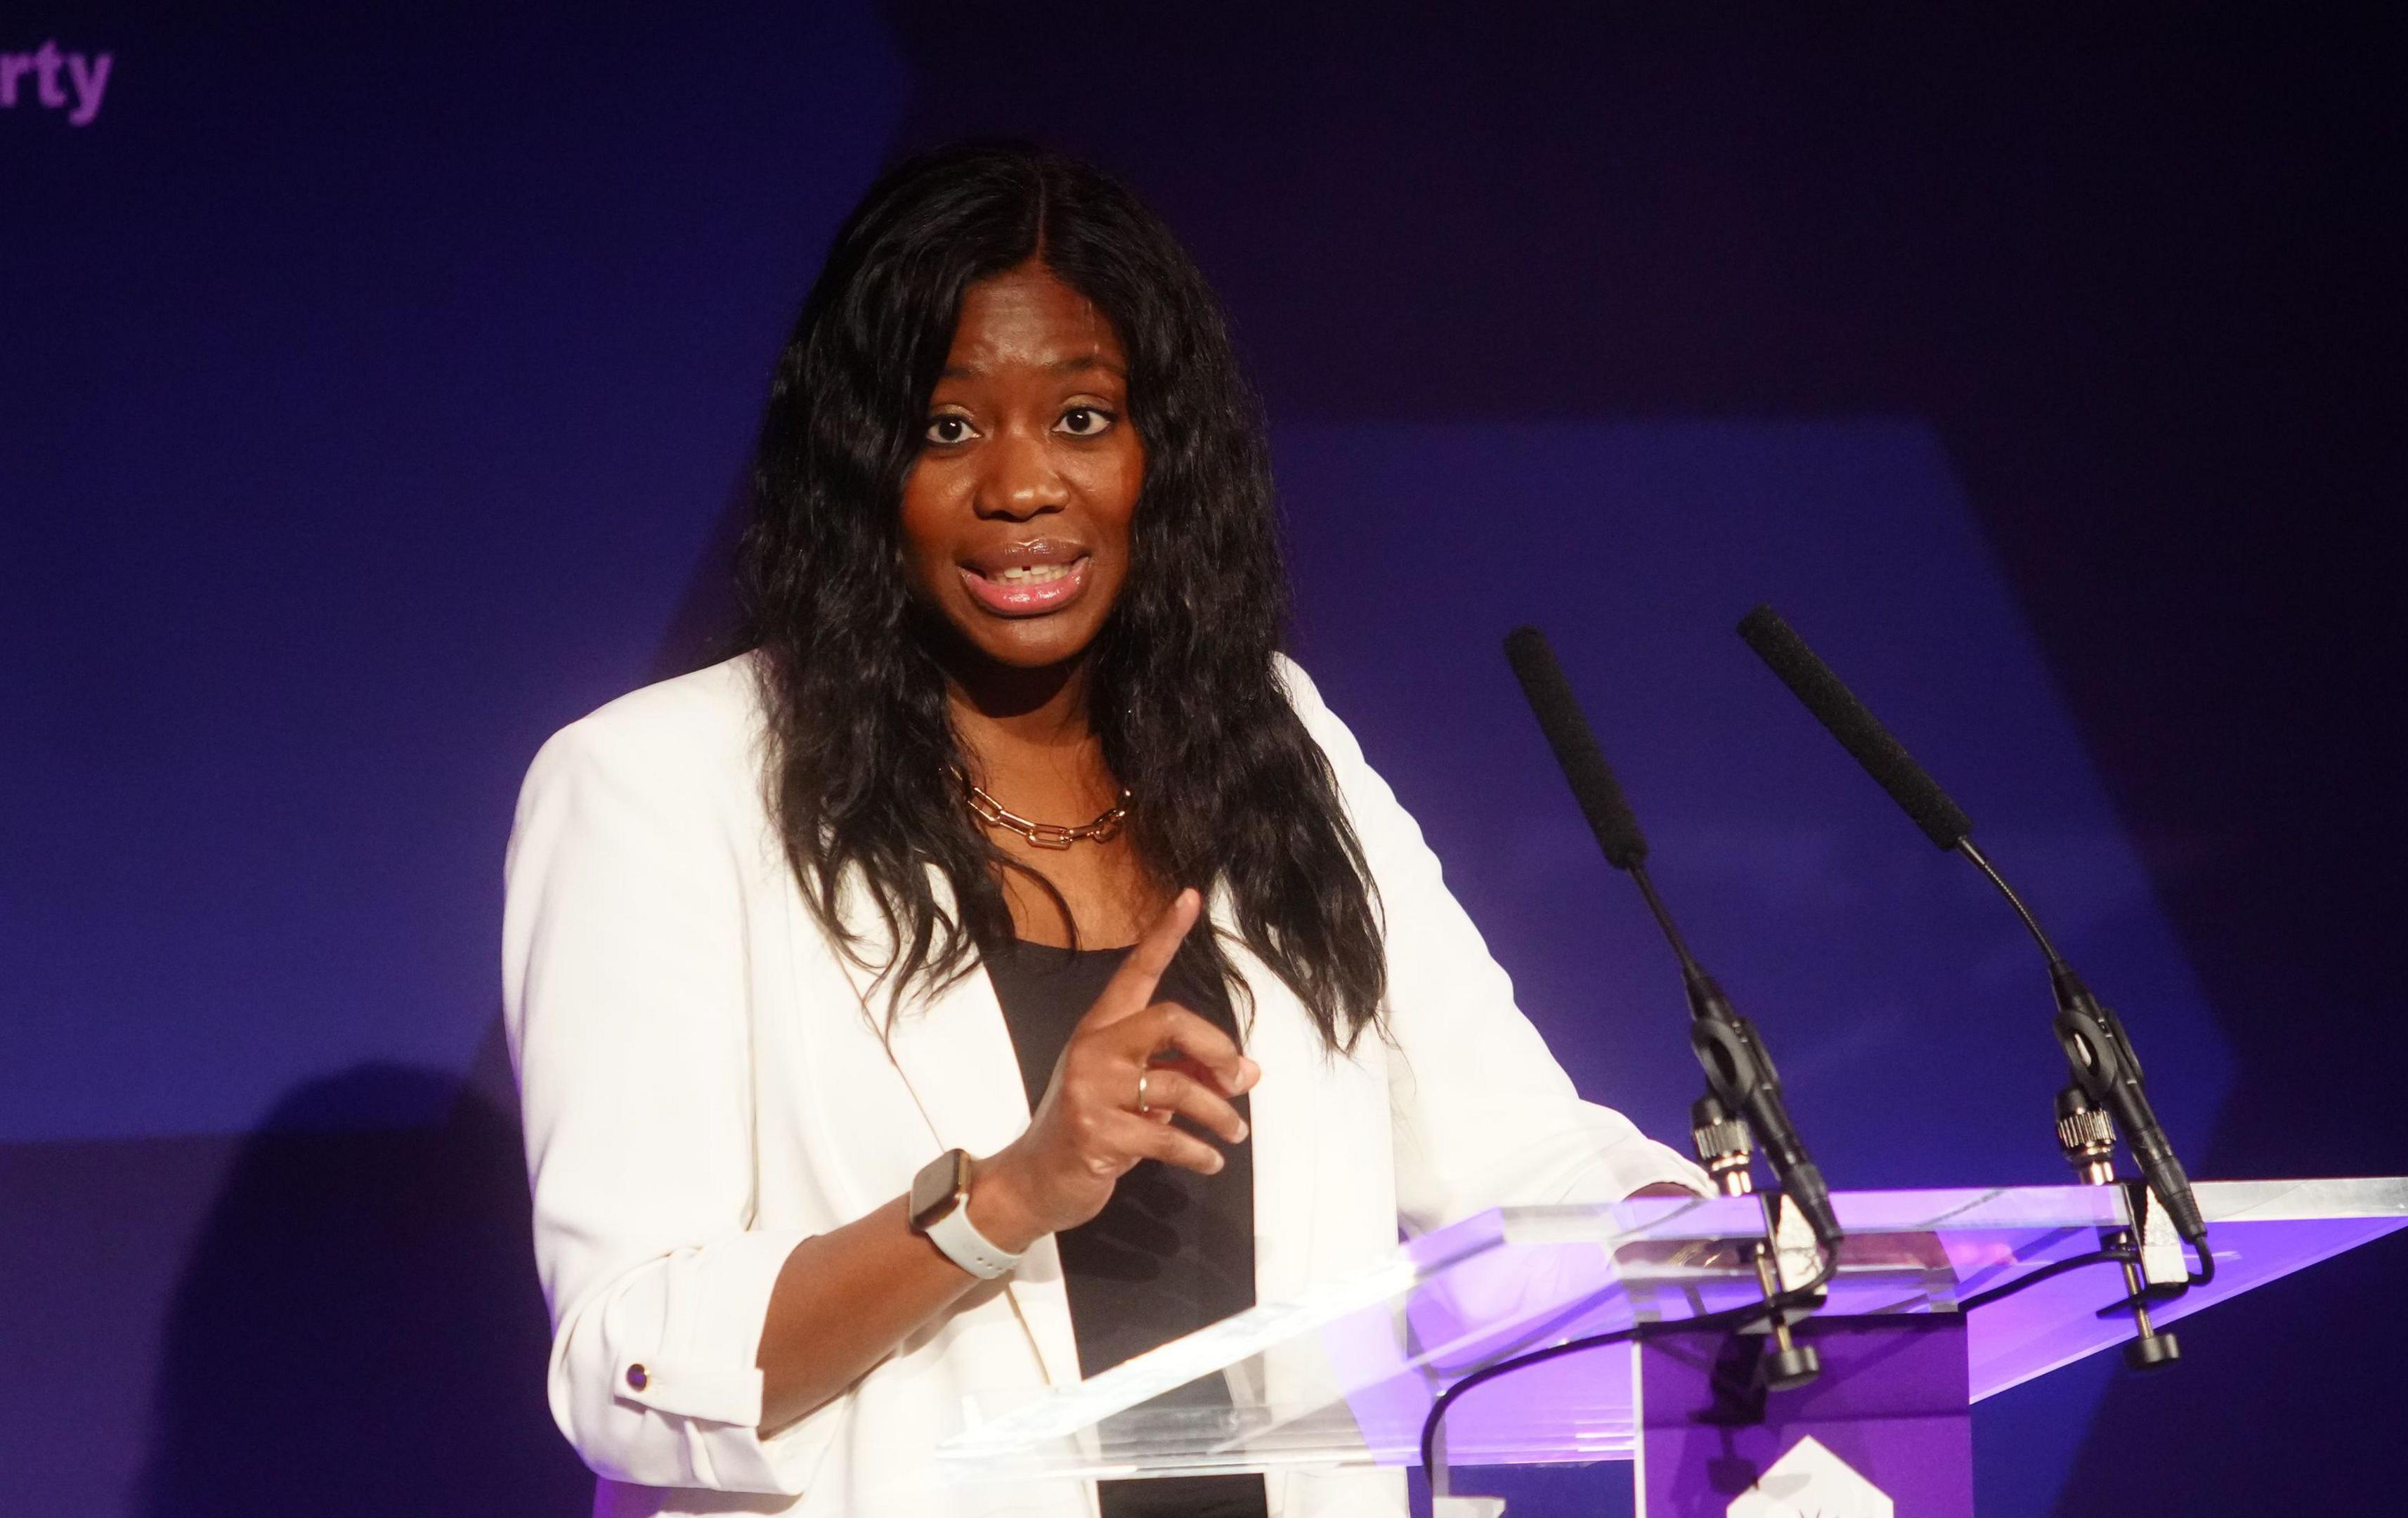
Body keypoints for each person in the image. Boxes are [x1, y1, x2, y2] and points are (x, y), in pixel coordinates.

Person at [502, 142, 1704, 1518]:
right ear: (857, 464)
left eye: (1082, 419)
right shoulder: (662, 787)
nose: (1024, 487)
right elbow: (629, 1360)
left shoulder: (1270, 738)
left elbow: (1524, 1161)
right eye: (949, 428)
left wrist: (1723, 1253)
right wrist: (1008, 1192)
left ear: (1158, 453)